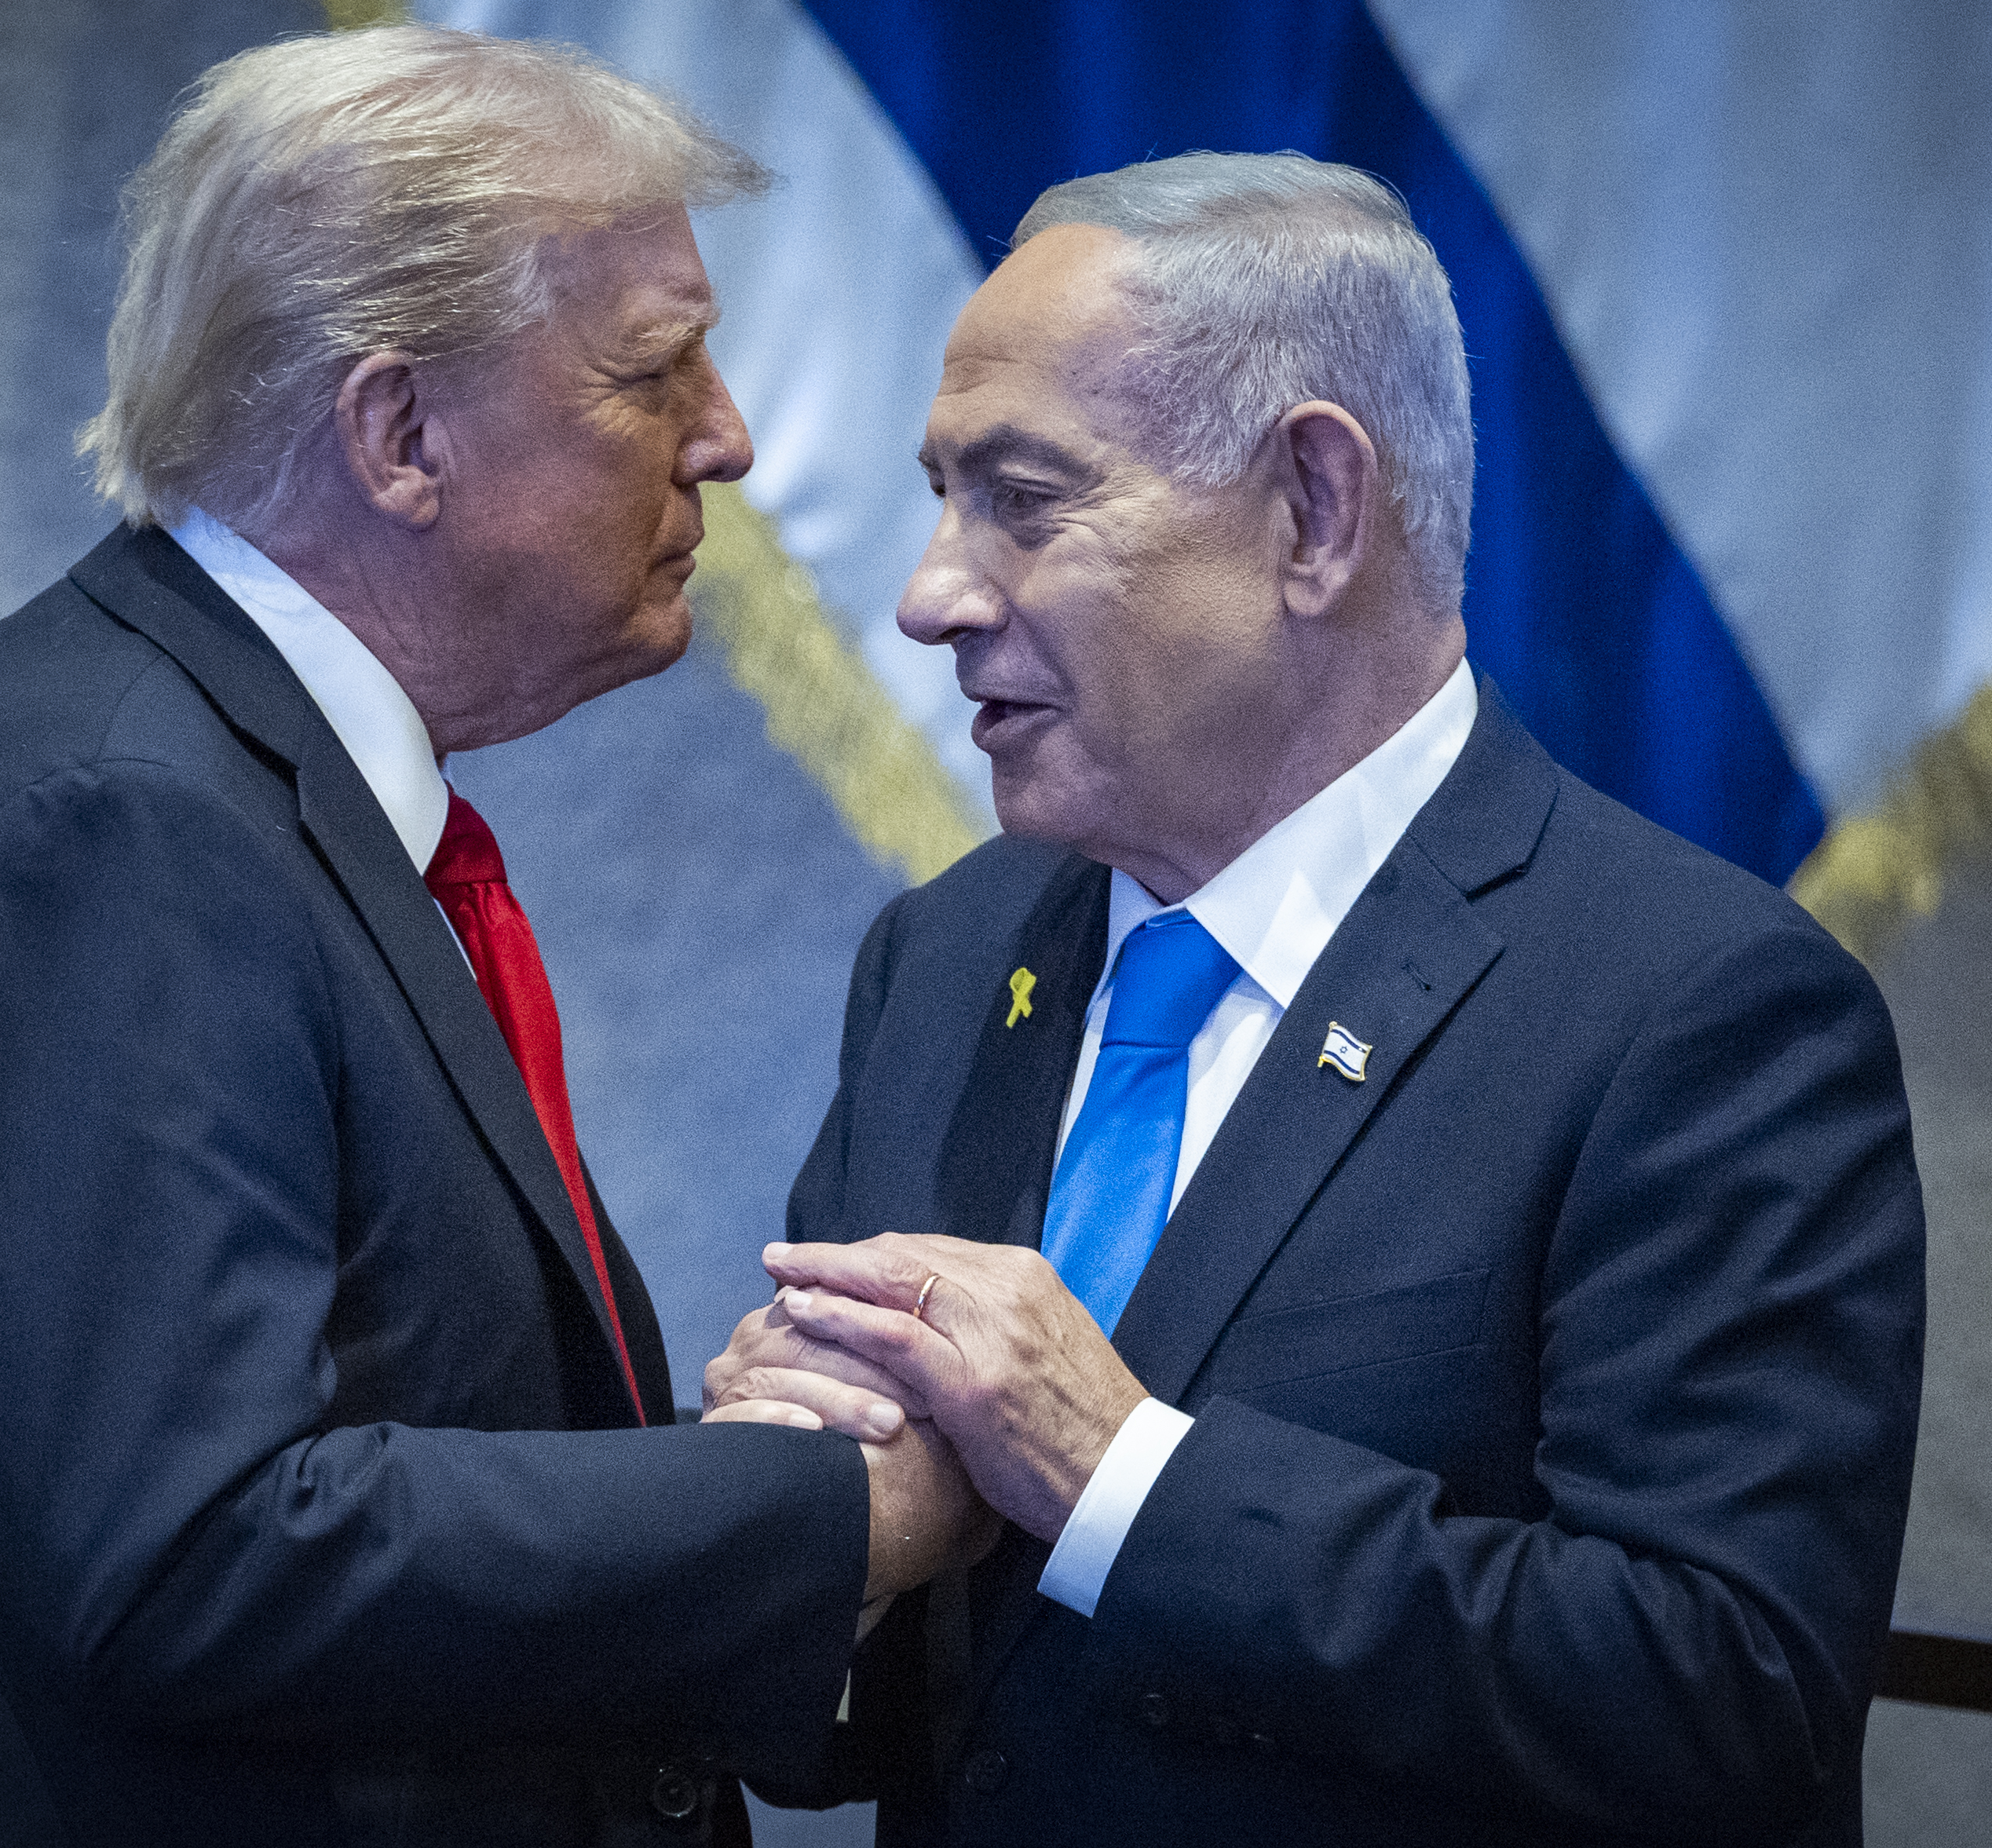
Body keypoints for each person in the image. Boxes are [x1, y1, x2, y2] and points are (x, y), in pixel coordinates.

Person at [0, 27, 980, 1848]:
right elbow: (192, 1557)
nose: (723, 435)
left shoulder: (227, 786)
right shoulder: (115, 831)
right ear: (398, 432)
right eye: (653, 370)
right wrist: (827, 1510)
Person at [707, 152, 1924, 1847]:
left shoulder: (1695, 1009)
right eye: (938, 498)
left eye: (1024, 499)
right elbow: (890, 1710)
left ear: (1313, 512)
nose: (931, 594)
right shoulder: (942, 955)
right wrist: (800, 1542)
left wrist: (1117, 1473)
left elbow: (1723, 1696)